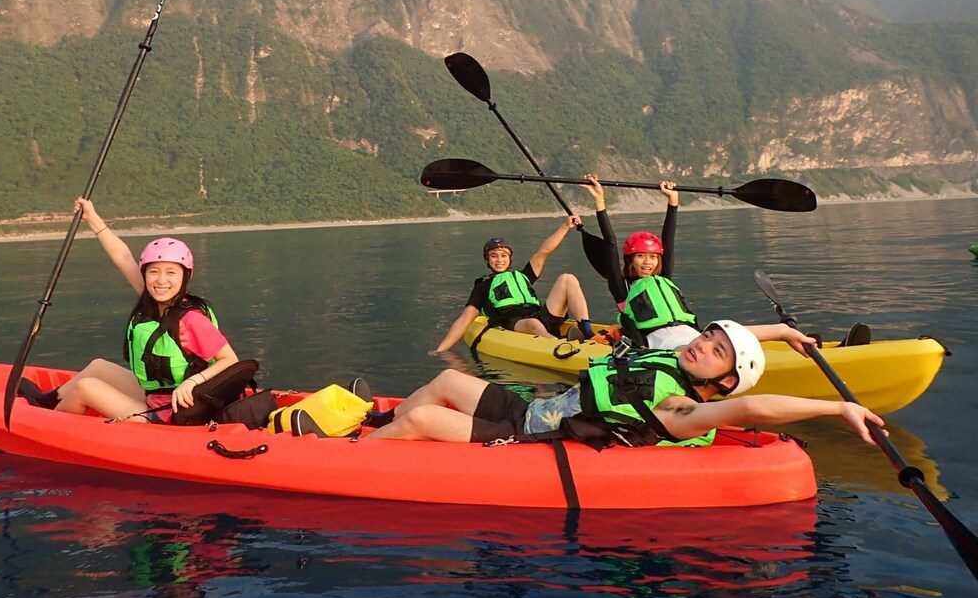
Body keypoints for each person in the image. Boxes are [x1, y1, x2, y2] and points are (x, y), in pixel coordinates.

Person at [369, 320, 886, 448]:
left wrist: (836, 407)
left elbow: (753, 409)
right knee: (445, 378)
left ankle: (358, 453)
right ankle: (375, 426)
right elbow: (735, 337)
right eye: (705, 336)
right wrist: (786, 332)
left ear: (725, 380)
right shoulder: (675, 359)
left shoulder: (681, 409)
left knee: (422, 418)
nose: (702, 344)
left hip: (531, 439)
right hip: (529, 408)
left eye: (715, 350)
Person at [17, 197, 240, 422]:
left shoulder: (191, 319)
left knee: (86, 387)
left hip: (172, 415)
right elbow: (122, 257)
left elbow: (230, 360)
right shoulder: (154, 299)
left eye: (171, 272)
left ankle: (44, 425)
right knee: (98, 367)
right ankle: (49, 401)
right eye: (154, 272)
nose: (161, 280)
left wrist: (193, 381)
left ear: (184, 277)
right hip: (158, 397)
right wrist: (92, 218)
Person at [432, 217, 592, 354]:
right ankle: (560, 346)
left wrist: (565, 226)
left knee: (567, 279)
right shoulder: (483, 286)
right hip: (515, 323)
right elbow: (465, 318)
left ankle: (587, 330)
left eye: (503, 256)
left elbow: (544, 251)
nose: (499, 260)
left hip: (541, 316)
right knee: (533, 324)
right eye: (493, 256)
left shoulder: (523, 276)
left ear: (510, 258)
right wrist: (441, 350)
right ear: (487, 260)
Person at [581, 175, 698, 350]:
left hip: (691, 334)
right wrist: (599, 200)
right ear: (631, 260)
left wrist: (673, 201)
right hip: (660, 343)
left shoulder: (663, 277)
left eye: (653, 257)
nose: (647, 262)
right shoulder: (622, 289)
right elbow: (610, 243)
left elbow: (668, 240)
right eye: (640, 256)